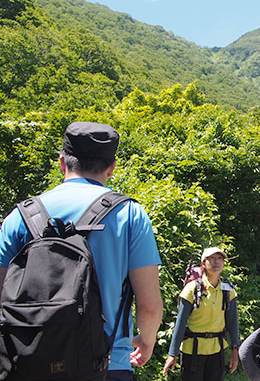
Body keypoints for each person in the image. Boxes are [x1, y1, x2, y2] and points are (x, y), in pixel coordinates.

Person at [0, 121, 163, 381]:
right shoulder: (130, 215)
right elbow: (149, 305)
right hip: (108, 364)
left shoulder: (20, 217)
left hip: (26, 363)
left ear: (62, 162)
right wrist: (147, 341)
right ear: (111, 168)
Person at [163, 247, 240, 381]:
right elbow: (180, 323)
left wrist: (235, 349)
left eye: (220, 259)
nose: (217, 262)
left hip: (217, 350)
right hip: (192, 352)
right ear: (203, 263)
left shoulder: (228, 290)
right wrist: (172, 353)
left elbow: (232, 322)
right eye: (212, 259)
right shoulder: (192, 288)